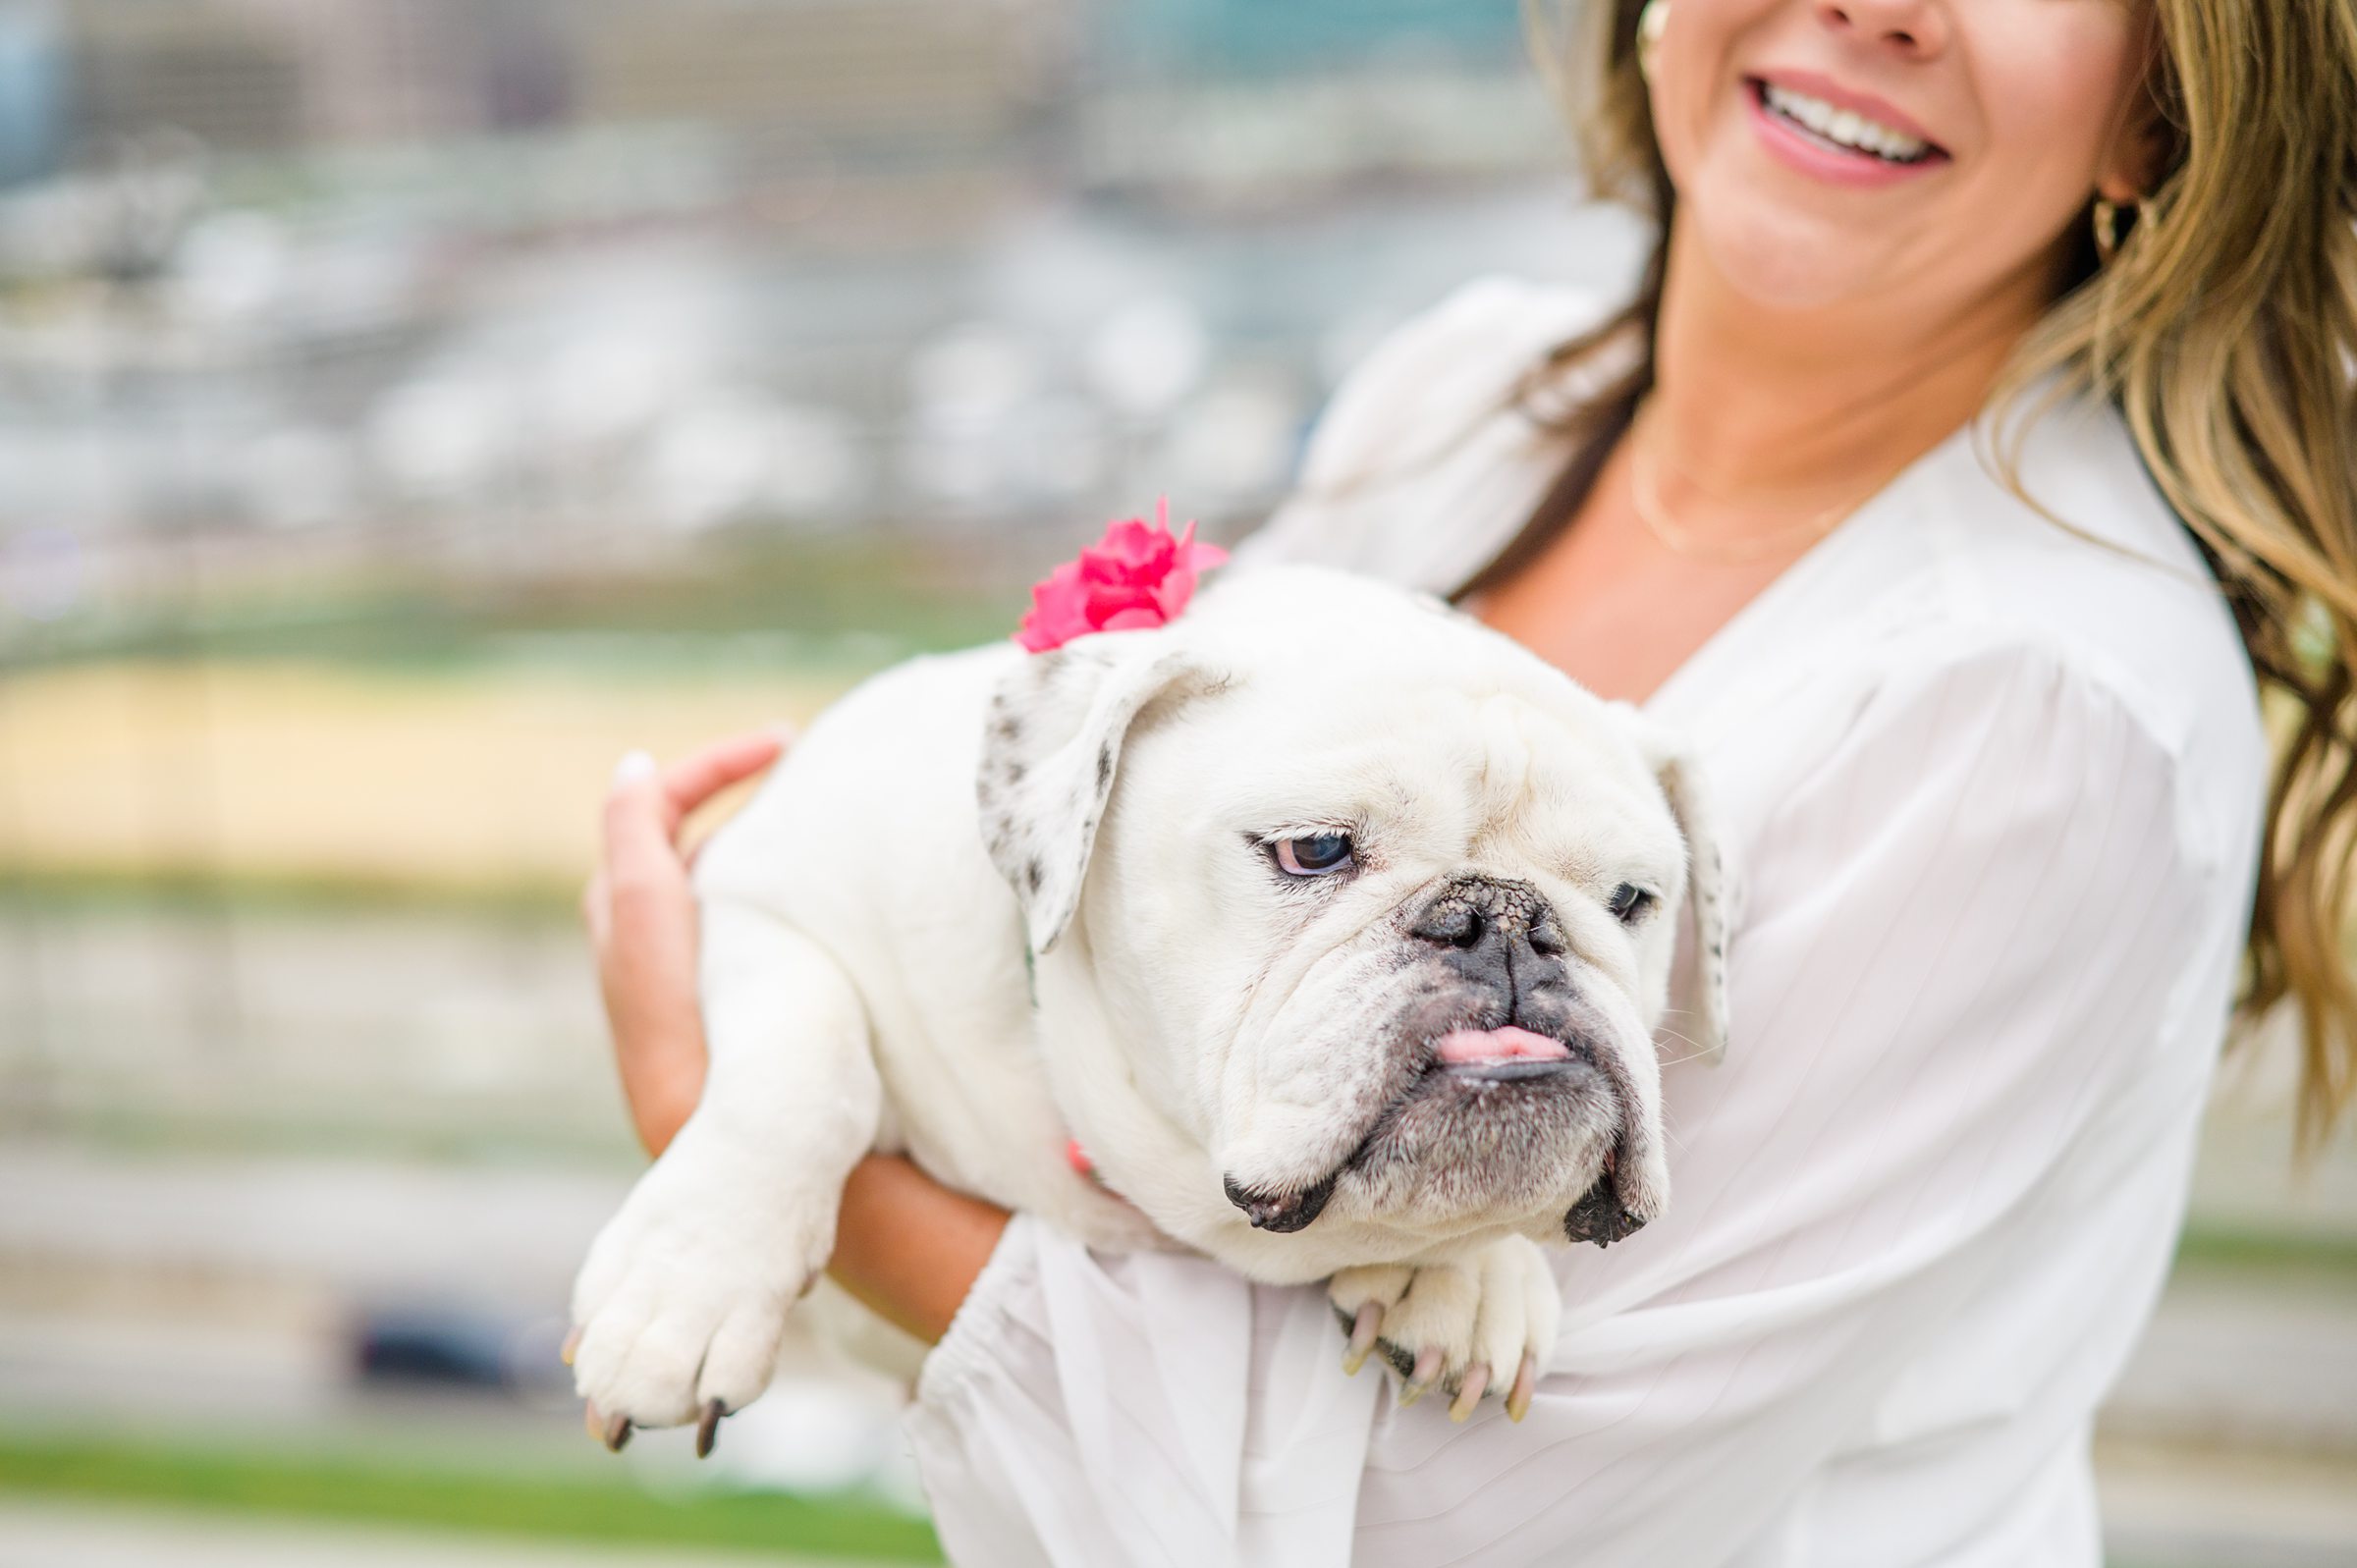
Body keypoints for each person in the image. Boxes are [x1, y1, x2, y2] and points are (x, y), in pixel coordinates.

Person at [580, 0, 2357, 1561]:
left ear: (2161, 104)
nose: (1874, 5)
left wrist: (729, 1117)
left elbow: (1446, 1522)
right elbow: (1150, 987)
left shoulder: (2043, 706)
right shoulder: (1471, 391)